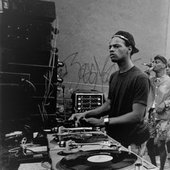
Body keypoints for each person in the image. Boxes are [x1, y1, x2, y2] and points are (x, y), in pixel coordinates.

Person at [69, 30, 150, 150]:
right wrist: (85, 113)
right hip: (114, 138)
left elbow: (137, 115)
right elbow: (109, 105)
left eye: (117, 46)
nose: (111, 49)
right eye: (110, 47)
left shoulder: (140, 78)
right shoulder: (114, 76)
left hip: (132, 142)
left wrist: (103, 121)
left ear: (129, 49)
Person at [146, 55, 170, 170]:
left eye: (157, 62)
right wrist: (147, 73)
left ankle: (161, 169)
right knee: (149, 143)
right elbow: (141, 89)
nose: (154, 63)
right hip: (151, 115)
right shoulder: (151, 80)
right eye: (153, 61)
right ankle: (153, 166)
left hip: (164, 117)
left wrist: (165, 104)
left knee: (161, 144)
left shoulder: (169, 80)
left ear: (164, 65)